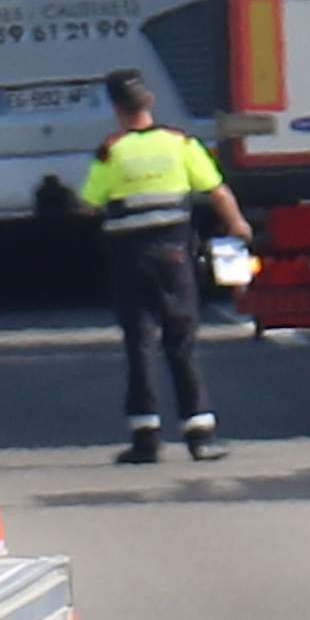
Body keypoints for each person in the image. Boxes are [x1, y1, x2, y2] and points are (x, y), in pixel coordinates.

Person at [72, 71, 250, 465]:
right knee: (181, 340)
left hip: (129, 259)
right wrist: (239, 225)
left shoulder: (111, 151)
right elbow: (216, 190)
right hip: (174, 256)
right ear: (149, 101)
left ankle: (146, 437)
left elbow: (89, 203)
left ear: (117, 109)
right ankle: (200, 434)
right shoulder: (180, 143)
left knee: (140, 343)